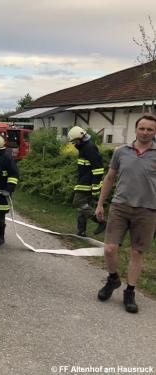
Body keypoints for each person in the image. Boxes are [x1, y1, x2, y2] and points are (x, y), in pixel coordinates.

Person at [95, 115, 156, 314]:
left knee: (136, 253)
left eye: (150, 129)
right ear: (136, 129)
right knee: (110, 249)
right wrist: (100, 204)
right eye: (142, 128)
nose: (145, 132)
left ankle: (130, 292)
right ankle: (113, 279)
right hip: (120, 206)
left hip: (147, 210)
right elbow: (110, 177)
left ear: (154, 132)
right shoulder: (121, 152)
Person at [68, 126, 106, 237]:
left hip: (88, 183)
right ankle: (81, 232)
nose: (74, 144)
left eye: (74, 141)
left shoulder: (89, 148)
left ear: (80, 138)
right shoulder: (84, 148)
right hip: (84, 181)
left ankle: (101, 222)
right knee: (83, 207)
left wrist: (95, 186)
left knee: (78, 202)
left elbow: (98, 168)